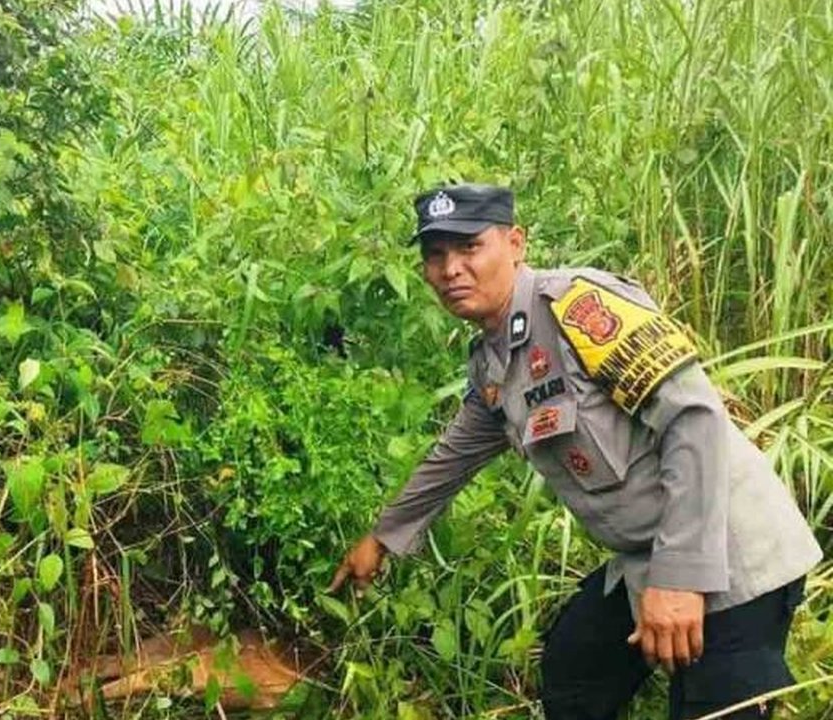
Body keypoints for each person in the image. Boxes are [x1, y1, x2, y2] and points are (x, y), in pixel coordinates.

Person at [328, 183, 822, 719]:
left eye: (470, 248)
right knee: (574, 669)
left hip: (729, 550)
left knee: (715, 706)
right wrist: (382, 537)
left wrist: (680, 578)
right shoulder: (494, 360)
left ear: (515, 244)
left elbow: (694, 417)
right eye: (436, 255)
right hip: (645, 558)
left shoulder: (579, 309)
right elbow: (455, 454)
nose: (451, 269)